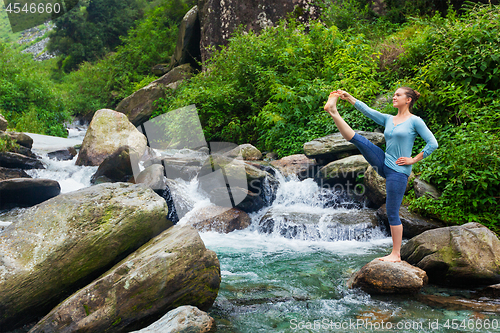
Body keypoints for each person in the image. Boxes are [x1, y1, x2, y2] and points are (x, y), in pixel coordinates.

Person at [323, 87, 438, 262]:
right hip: (384, 162)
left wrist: (414, 159)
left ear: (408, 100)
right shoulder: (389, 119)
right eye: (394, 94)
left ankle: (396, 254)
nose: (394, 97)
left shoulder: (415, 121)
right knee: (358, 139)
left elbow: (433, 143)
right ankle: (333, 111)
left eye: (398, 95)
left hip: (398, 172)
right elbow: (368, 111)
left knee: (392, 212)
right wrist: (349, 97)